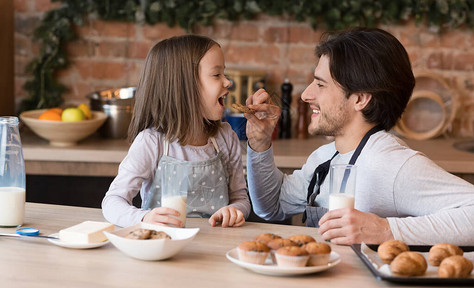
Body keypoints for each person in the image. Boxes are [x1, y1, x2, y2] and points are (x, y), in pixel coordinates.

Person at [244, 27, 474, 246]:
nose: (306, 95)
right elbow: (271, 206)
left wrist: (387, 230)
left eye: (320, 85)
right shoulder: (325, 158)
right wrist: (260, 143)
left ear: (360, 99)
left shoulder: (390, 164)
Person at [102, 35, 250, 228]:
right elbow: (112, 201)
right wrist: (144, 218)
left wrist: (235, 210)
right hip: (165, 246)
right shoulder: (152, 142)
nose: (227, 82)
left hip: (215, 247)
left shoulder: (225, 137)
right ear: (184, 85)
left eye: (224, 74)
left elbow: (241, 198)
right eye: (216, 75)